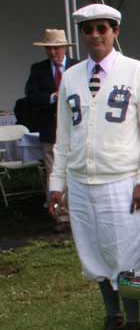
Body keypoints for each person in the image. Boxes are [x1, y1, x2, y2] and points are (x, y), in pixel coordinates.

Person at [48, 3, 140, 330]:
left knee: (125, 257)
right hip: (82, 182)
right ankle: (112, 320)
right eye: (88, 29)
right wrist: (56, 184)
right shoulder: (72, 77)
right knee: (95, 257)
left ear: (115, 31)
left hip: (121, 182)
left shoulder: (136, 71)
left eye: (103, 28)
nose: (95, 35)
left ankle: (133, 326)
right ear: (82, 35)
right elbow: (63, 137)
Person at [24, 28, 79, 232]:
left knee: (77, 171)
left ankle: (78, 214)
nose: (53, 52)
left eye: (56, 48)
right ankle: (61, 216)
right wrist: (53, 97)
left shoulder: (78, 66)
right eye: (49, 49)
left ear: (64, 47)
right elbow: (30, 97)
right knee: (54, 172)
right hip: (50, 130)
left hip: (76, 130)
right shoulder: (38, 70)